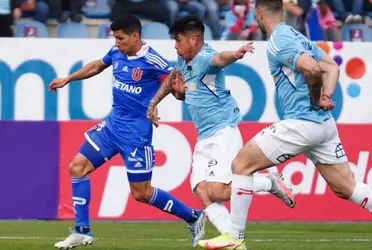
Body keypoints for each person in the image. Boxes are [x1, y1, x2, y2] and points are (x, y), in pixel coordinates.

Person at [200, 0, 372, 249]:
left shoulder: (279, 40)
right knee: (347, 188)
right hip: (323, 125)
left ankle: (234, 239)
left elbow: (312, 69)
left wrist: (316, 98)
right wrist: (325, 97)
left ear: (259, 14)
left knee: (241, 165)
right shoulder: (297, 36)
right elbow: (331, 67)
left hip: (301, 123)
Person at [48, 14, 205, 249]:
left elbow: (175, 89)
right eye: (115, 38)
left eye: (120, 38)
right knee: (77, 168)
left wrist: (165, 99)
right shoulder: (116, 53)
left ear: (135, 36)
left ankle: (193, 216)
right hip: (112, 128)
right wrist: (68, 79)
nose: (116, 43)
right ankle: (82, 230)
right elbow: (96, 66)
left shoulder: (154, 61)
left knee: (141, 193)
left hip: (135, 136)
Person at [146, 15, 296, 242]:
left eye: (178, 41)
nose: (175, 46)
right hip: (204, 135)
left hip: (223, 130)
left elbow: (219, 59)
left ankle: (269, 182)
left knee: (218, 191)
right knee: (202, 191)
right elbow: (173, 81)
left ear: (194, 39)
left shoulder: (205, 57)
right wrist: (154, 102)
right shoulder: (184, 62)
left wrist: (235, 54)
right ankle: (234, 242)